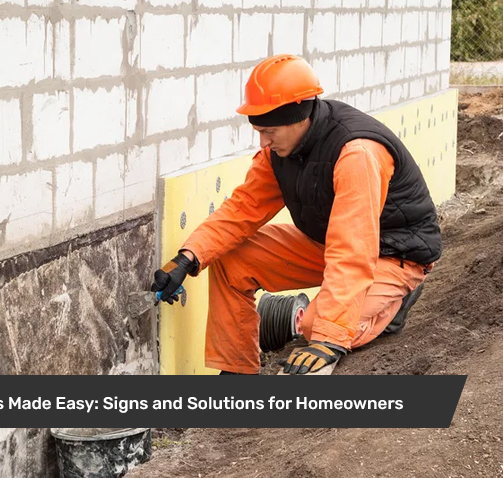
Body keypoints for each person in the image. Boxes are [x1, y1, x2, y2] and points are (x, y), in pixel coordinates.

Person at [151, 54, 442, 375]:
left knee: (317, 329)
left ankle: (393, 302)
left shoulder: (356, 153)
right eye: (258, 130)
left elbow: (353, 248)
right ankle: (236, 374)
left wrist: (328, 339)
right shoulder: (282, 149)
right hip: (331, 244)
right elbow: (243, 209)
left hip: (392, 254)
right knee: (230, 259)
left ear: (298, 118)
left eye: (269, 131)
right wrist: (188, 257)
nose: (262, 141)